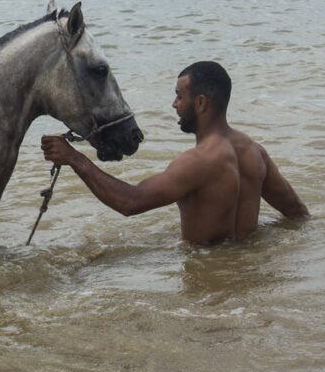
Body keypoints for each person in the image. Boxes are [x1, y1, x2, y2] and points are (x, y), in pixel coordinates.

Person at [41, 61, 309, 244]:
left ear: (200, 103)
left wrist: (76, 159)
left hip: (210, 288)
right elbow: (296, 212)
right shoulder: (255, 153)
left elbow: (131, 202)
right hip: (247, 279)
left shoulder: (199, 162)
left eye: (179, 96)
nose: (174, 104)